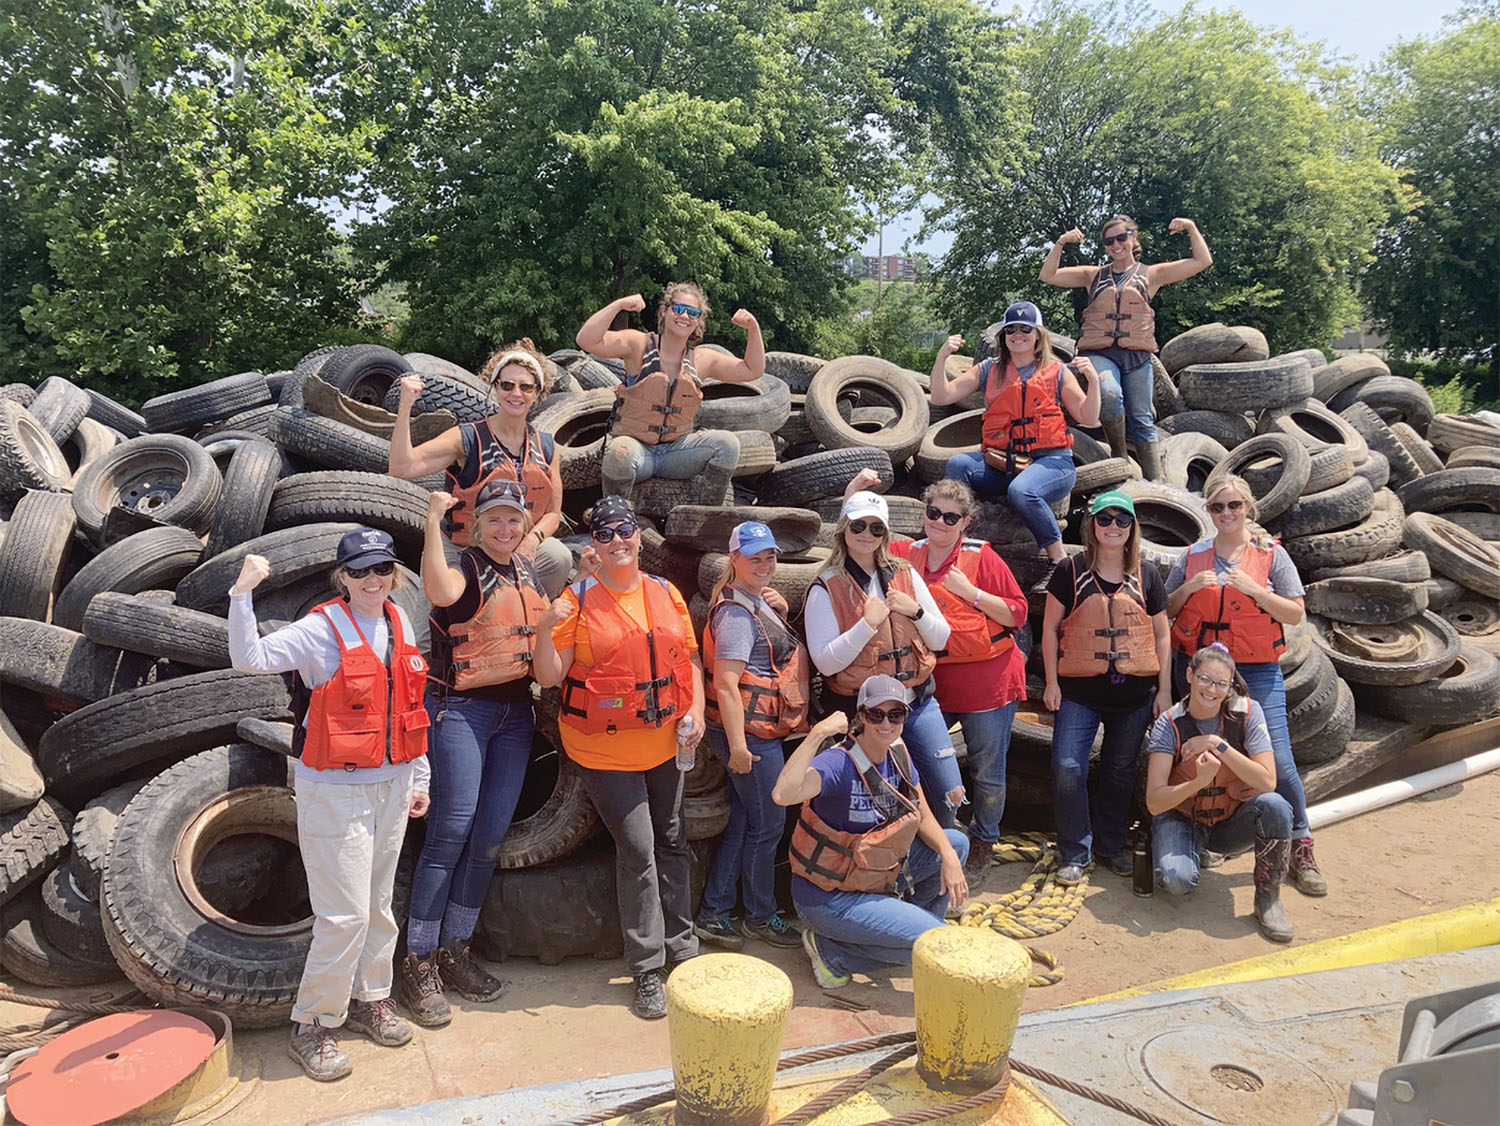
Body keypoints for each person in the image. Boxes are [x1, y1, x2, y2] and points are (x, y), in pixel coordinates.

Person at [228, 528, 431, 1082]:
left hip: (392, 784)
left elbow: (410, 703)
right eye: (361, 571)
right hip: (335, 790)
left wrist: (420, 779)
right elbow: (250, 658)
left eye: (383, 569)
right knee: (343, 916)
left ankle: (372, 1000)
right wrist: (243, 593)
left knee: (378, 905)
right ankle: (314, 1024)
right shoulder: (321, 628)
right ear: (342, 577)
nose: (374, 580)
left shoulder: (399, 620)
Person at [531, 496, 704, 1021]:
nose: (616, 542)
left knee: (673, 839)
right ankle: (647, 967)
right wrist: (544, 626)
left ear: (637, 535)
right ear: (594, 546)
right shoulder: (575, 600)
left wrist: (692, 711)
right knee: (638, 847)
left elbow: (688, 661)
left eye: (623, 530)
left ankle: (684, 949)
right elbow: (548, 676)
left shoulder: (665, 592)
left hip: (666, 745)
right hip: (603, 750)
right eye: (604, 535)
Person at [400, 481, 549, 1027]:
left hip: (516, 716)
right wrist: (432, 524)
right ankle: (418, 960)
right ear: (477, 524)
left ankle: (455, 948)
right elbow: (439, 592)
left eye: (514, 520)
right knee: (450, 832)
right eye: (495, 521)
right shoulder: (463, 565)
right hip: (461, 712)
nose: (505, 530)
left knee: (487, 839)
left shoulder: (526, 570)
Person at [1165, 471, 1327, 898]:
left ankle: (1300, 842)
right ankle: (1203, 833)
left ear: (1248, 508)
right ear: (1208, 511)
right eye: (1217, 506)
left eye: (1234, 505)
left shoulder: (1272, 557)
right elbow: (1165, 610)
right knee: (1197, 751)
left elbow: (1294, 615)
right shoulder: (1192, 556)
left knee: (1280, 760)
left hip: (1255, 669)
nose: (1226, 513)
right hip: (1203, 671)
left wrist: (1256, 592)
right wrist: (1189, 588)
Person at [774, 675, 970, 989]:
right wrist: (817, 733)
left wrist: (948, 857)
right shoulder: (838, 764)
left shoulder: (898, 752)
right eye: (876, 714)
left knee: (956, 843)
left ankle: (909, 930)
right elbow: (782, 794)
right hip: (830, 898)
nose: (886, 724)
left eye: (896, 714)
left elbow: (920, 813)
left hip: (871, 876)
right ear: (862, 715)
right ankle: (834, 953)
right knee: (937, 946)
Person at [887, 478, 1027, 880]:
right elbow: (858, 543)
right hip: (932, 685)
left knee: (986, 768)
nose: (941, 523)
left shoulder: (982, 558)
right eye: (934, 513)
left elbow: (1016, 614)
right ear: (924, 514)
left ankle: (983, 839)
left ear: (965, 522)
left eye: (951, 517)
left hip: (989, 682)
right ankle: (934, 839)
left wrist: (972, 594)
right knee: (924, 763)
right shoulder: (904, 554)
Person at [803, 490, 963, 828]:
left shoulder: (904, 574)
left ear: (886, 534)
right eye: (858, 525)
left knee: (950, 794)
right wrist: (867, 625)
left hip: (916, 703)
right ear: (843, 528)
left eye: (876, 528)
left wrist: (916, 611)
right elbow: (825, 663)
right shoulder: (826, 586)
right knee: (887, 805)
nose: (866, 534)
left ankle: (939, 865)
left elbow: (941, 638)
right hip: (868, 716)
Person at [1041, 491, 1172, 885]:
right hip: (1079, 693)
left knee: (1118, 772)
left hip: (1135, 697)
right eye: (1105, 519)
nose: (1113, 526)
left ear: (1132, 528)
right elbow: (1048, 628)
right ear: (1092, 526)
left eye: (1122, 520)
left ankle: (1110, 845)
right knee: (1067, 768)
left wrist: (1164, 691)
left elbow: (1162, 635)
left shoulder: (1147, 575)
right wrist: (1051, 683)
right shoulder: (1070, 571)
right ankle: (1075, 852)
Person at [693, 522, 810, 952]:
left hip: (757, 731)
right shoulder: (736, 615)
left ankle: (715, 912)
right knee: (769, 825)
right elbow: (726, 684)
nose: (765, 564)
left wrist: (771, 602)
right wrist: (740, 749)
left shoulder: (753, 601)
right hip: (749, 737)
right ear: (735, 560)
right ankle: (759, 916)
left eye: (770, 557)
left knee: (746, 821)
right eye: (755, 557)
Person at [388, 340, 572, 599]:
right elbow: (401, 466)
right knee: (431, 628)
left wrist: (533, 540)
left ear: (537, 392)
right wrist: (405, 406)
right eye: (507, 385)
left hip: (514, 543)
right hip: (463, 547)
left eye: (525, 386)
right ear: (495, 388)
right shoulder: (467, 438)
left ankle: (532, 617)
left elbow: (553, 513)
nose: (515, 393)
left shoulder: (546, 446)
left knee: (558, 556)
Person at [1039, 215, 1213, 479]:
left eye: (1122, 237)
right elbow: (1048, 275)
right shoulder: (1093, 275)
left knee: (1143, 419)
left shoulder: (1152, 274)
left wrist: (1191, 227)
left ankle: (1156, 483)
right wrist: (1061, 242)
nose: (1116, 244)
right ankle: (1119, 457)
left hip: (1136, 356)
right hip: (1099, 353)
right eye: (1109, 241)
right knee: (1109, 394)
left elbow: (1202, 261)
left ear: (1134, 237)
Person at [1145, 644, 1295, 942]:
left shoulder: (1249, 713)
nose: (1211, 690)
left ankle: (1268, 899)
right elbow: (1154, 801)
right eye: (1205, 679)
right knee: (1177, 881)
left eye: (1220, 684)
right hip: (1183, 818)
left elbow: (1268, 782)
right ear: (1189, 675)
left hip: (1229, 821)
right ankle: (1183, 851)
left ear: (1230, 687)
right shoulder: (1169, 723)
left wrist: (1217, 744)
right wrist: (1198, 782)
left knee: (1275, 806)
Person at [929, 301, 1101, 562]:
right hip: (1004, 462)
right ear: (1003, 336)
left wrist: (1094, 381)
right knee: (958, 464)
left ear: (1038, 335)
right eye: (1011, 330)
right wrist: (942, 358)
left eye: (1025, 329)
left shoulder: (1057, 372)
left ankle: (1060, 561)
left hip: (1052, 463)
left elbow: (1089, 417)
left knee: (1021, 491)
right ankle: (953, 545)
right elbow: (942, 396)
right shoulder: (990, 369)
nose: (1017, 335)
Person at [575, 284, 765, 505]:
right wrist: (619, 305)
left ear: (698, 321)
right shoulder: (638, 345)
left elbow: (753, 370)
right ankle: (615, 517)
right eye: (678, 309)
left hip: (677, 453)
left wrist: (753, 329)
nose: (684, 316)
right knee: (620, 452)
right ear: (664, 311)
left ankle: (707, 516)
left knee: (727, 444)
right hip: (638, 451)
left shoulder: (703, 359)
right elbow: (586, 340)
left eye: (693, 312)